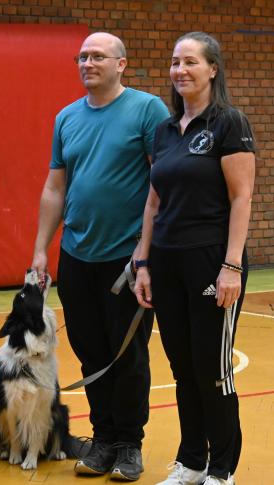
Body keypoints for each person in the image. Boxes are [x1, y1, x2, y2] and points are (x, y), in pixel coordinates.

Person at [31, 32, 169, 481]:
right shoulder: (67, 117)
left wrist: (144, 251)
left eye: (97, 56)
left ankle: (129, 443)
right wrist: (40, 250)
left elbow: (160, 183)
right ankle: (103, 437)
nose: (87, 63)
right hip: (76, 256)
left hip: (126, 260)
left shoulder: (147, 110)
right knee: (90, 352)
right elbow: (55, 187)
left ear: (121, 64)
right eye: (82, 56)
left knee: (126, 355)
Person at [133, 32, 255, 485]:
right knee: (183, 369)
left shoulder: (228, 123)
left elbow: (241, 198)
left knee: (213, 371)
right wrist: (143, 263)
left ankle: (222, 470)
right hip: (166, 261)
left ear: (212, 69)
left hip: (211, 260)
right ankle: (192, 461)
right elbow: (152, 203)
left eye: (190, 62)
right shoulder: (165, 130)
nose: (179, 70)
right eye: (174, 62)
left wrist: (232, 265)